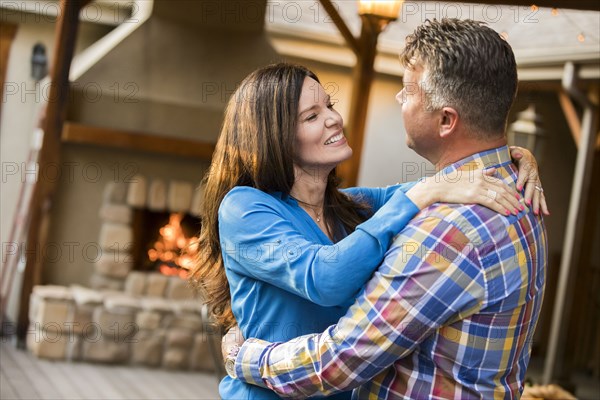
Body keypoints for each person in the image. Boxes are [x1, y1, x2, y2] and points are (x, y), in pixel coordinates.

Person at [223, 19, 549, 399]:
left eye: (328, 106)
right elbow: (323, 275)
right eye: (312, 116)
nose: (334, 118)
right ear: (275, 136)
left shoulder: (376, 214)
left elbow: (338, 361)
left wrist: (246, 357)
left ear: (446, 120)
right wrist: (499, 162)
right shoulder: (245, 207)